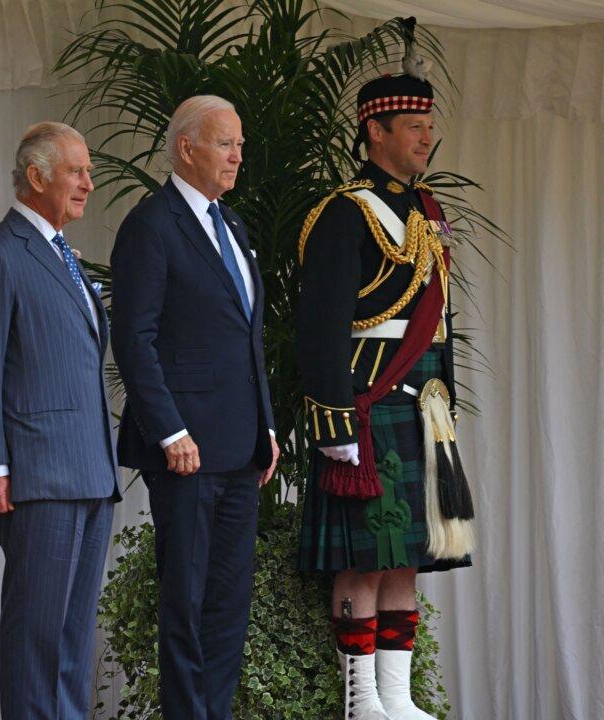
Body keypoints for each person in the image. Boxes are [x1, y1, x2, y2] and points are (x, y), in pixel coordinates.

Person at [296, 19, 474, 720]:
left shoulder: (427, 212)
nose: (426, 137)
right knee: (362, 558)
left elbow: (442, 320)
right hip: (365, 405)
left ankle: (397, 699)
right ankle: (360, 698)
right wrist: (335, 420)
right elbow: (320, 326)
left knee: (407, 557)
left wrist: (447, 405)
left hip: (420, 401)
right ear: (375, 131)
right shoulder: (345, 214)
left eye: (429, 124)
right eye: (412, 125)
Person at [110, 95, 278, 720]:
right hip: (186, 452)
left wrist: (265, 421)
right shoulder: (151, 225)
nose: (239, 154)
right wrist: (169, 429)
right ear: (186, 148)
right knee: (186, 603)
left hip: (241, 448)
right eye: (226, 143)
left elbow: (244, 334)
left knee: (229, 604)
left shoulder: (230, 225)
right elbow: (135, 338)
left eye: (239, 144)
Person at [0, 121, 119, 720]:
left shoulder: (61, 254)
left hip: (91, 472)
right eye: (77, 171)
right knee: (37, 638)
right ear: (37, 175)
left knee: (72, 644)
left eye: (88, 172)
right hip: (39, 476)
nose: (88, 184)